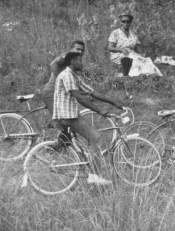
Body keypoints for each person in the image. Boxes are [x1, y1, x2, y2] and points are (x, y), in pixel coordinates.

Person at [53, 51, 126, 186]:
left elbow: (92, 92)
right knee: (95, 138)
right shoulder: (67, 75)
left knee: (86, 142)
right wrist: (99, 110)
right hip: (67, 116)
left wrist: (113, 102)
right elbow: (79, 97)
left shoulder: (74, 76)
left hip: (70, 114)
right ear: (73, 62)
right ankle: (94, 175)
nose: (82, 63)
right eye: (80, 60)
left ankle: (87, 165)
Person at [41, 40, 85, 116]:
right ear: (71, 49)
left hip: (61, 94)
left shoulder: (76, 61)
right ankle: (54, 127)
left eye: (82, 50)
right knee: (60, 119)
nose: (80, 52)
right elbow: (53, 64)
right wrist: (60, 79)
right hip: (51, 92)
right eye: (77, 49)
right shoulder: (66, 57)